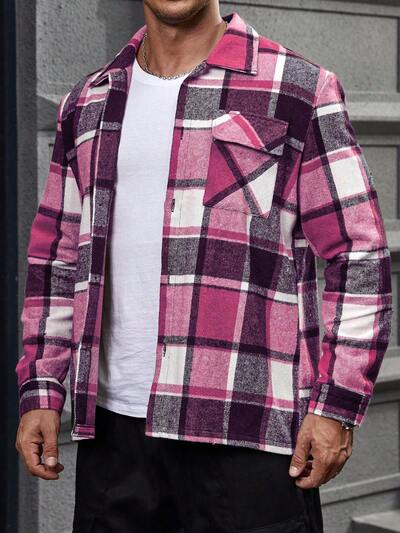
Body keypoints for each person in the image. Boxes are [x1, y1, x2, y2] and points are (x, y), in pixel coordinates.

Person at [15, 1, 393, 532]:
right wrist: (42, 386)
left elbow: (359, 254)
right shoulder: (88, 101)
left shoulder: (298, 89)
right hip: (115, 438)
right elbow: (56, 257)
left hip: (247, 431)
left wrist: (335, 405)